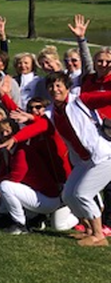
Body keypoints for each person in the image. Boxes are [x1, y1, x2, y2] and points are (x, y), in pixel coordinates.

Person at [46, 72, 111, 247]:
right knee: (68, 195)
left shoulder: (81, 101)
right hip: (84, 160)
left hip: (103, 156)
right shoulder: (53, 111)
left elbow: (108, 97)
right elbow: (40, 123)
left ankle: (99, 236)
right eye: (51, 86)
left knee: (83, 194)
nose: (55, 89)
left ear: (67, 88)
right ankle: (88, 230)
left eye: (59, 85)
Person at [0, 119, 77, 235]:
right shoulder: (9, 152)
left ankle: (20, 225)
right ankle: (34, 219)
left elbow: (16, 176)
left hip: (48, 197)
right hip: (37, 194)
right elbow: (5, 172)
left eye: (7, 131)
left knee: (5, 186)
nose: (4, 135)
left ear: (15, 132)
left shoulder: (22, 150)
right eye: (1, 133)